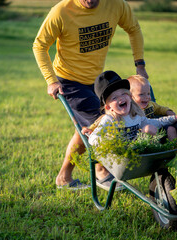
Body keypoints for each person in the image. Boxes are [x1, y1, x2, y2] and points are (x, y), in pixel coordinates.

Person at [33, 0, 149, 190]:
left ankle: (64, 177)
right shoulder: (61, 11)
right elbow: (39, 45)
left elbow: (134, 29)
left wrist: (140, 65)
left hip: (96, 82)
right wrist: (51, 81)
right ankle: (101, 170)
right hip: (68, 81)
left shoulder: (116, 5)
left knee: (86, 128)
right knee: (103, 121)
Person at [88, 70, 177, 157]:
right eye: (114, 98)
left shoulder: (135, 115)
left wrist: (172, 119)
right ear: (109, 107)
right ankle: (158, 157)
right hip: (122, 154)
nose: (121, 98)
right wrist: (106, 144)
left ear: (130, 97)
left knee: (149, 128)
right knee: (147, 129)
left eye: (123, 94)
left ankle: (161, 155)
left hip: (138, 149)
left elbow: (154, 122)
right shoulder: (109, 120)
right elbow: (93, 137)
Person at [127, 75, 177, 140]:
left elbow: (160, 109)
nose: (147, 97)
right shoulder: (131, 109)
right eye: (141, 94)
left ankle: (174, 147)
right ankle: (156, 148)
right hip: (143, 134)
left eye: (148, 93)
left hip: (157, 127)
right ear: (130, 96)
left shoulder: (150, 104)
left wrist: (168, 111)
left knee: (171, 129)